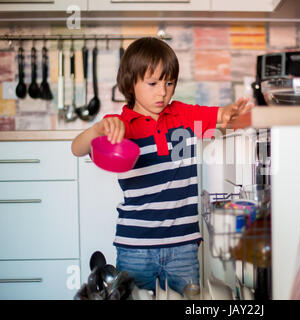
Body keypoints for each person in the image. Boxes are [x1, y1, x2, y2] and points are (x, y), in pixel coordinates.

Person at [71, 37, 253, 296]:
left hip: (184, 245)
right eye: (153, 83)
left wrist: (228, 113)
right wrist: (99, 129)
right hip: (134, 246)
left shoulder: (183, 114)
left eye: (169, 83)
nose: (163, 92)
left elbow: (219, 117)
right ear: (130, 83)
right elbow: (77, 148)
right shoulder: (119, 125)